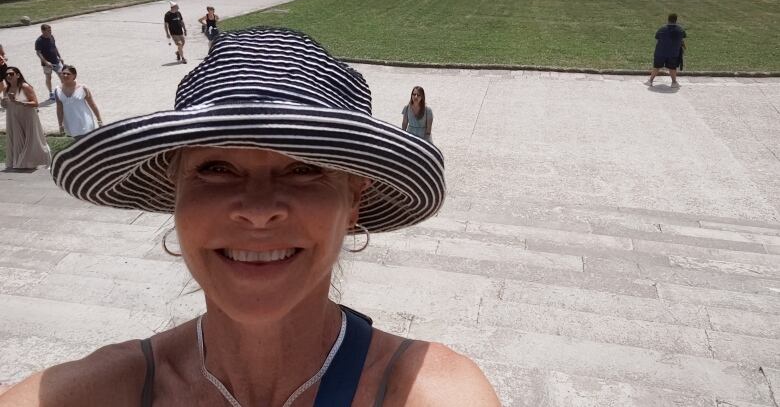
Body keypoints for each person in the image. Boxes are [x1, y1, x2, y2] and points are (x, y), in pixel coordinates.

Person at [0, 27, 499, 406]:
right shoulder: (96, 392)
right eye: (216, 168)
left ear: (355, 202)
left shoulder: (428, 393)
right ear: (176, 194)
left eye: (304, 170)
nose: (259, 212)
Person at [0, 67, 50, 170]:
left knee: (31, 139)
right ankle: (19, 161)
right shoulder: (6, 89)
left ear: (18, 75)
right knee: (17, 139)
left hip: (27, 116)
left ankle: (41, 160)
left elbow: (35, 103)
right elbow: (6, 105)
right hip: (13, 117)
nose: (8, 76)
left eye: (11, 74)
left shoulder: (25, 87)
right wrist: (3, 102)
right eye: (7, 74)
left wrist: (20, 102)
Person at [54, 65, 104, 139]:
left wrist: (99, 120)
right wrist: (60, 125)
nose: (65, 75)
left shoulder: (83, 88)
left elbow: (92, 105)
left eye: (68, 74)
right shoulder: (57, 90)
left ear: (74, 76)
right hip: (71, 124)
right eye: (63, 73)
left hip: (85, 123)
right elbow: (59, 109)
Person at [645, 13, 687, 88]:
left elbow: (657, 38)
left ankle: (650, 81)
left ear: (668, 19)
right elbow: (682, 39)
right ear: (676, 20)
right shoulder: (680, 30)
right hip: (673, 53)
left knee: (656, 67)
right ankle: (674, 83)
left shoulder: (662, 29)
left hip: (660, 52)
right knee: (672, 68)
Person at [34, 24, 64, 100]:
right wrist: (46, 62)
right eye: (48, 30)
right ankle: (51, 92)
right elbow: (38, 53)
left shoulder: (51, 36)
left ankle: (64, 91)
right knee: (48, 77)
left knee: (62, 75)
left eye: (50, 30)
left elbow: (54, 47)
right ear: (43, 31)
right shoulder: (39, 41)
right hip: (46, 64)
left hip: (56, 61)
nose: (50, 32)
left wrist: (59, 57)